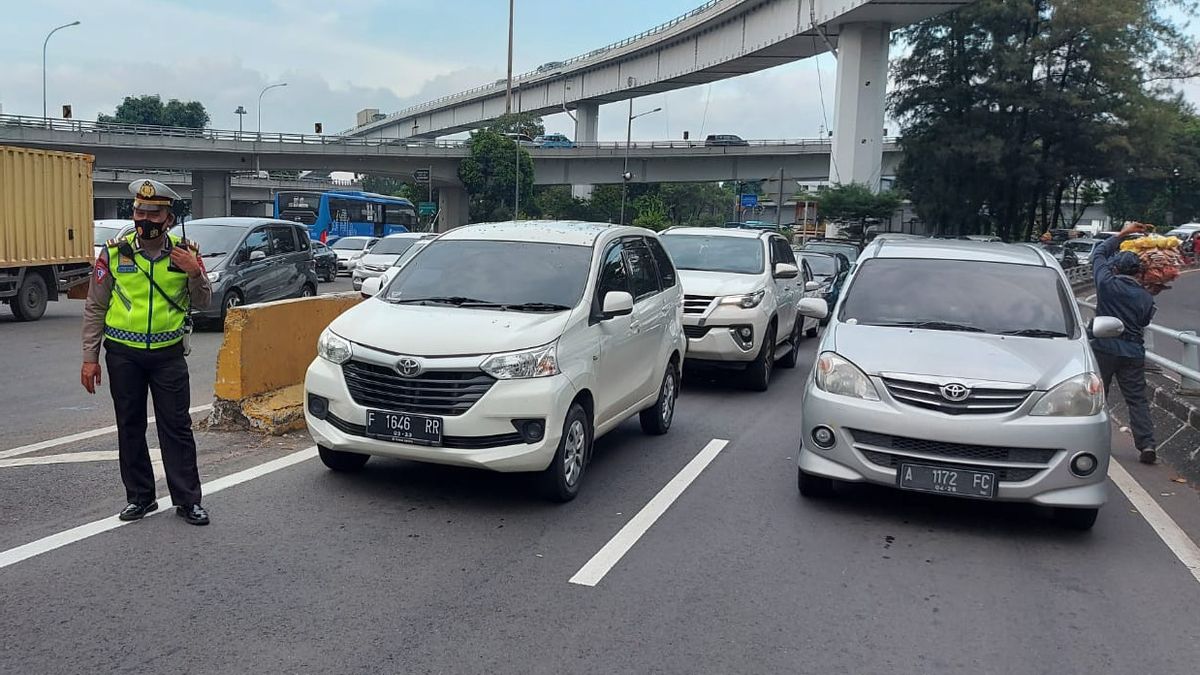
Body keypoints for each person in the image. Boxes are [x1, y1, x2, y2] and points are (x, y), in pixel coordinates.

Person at [80, 179, 214, 524]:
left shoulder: (187, 252)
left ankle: (187, 500)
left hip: (168, 354)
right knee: (129, 425)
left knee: (177, 427)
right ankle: (140, 497)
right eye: (140, 211)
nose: (145, 219)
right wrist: (89, 358)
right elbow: (96, 308)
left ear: (168, 219)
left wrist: (194, 272)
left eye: (154, 213)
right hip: (124, 353)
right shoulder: (114, 252)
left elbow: (203, 302)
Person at [1091, 222, 1159, 464]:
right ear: (1138, 272)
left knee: (1098, 397)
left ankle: (1095, 440)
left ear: (1116, 267)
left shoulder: (1106, 284)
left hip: (1104, 348)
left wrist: (1123, 234)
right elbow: (1143, 320)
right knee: (1137, 399)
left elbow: (1098, 253)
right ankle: (1147, 444)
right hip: (1132, 351)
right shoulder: (1146, 297)